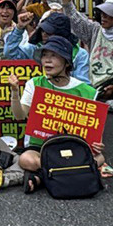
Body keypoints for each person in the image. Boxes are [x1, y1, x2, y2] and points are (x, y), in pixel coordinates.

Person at [9, 36, 101, 193]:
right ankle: (75, 173)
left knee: (99, 158)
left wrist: (97, 145)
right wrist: (15, 92)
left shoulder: (87, 91)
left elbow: (94, 136)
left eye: (54, 56)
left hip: (72, 147)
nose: (47, 61)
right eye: (45, 55)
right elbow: (20, 115)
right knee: (26, 159)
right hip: (40, 147)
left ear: (66, 62)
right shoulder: (35, 83)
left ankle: (42, 178)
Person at [4, 11, 90, 83]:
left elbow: (83, 85)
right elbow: (10, 52)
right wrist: (19, 28)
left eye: (49, 32)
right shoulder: (35, 49)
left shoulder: (79, 54)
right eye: (42, 31)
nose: (44, 34)